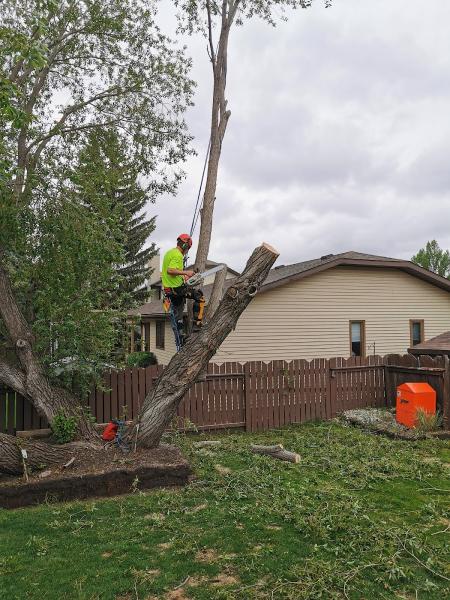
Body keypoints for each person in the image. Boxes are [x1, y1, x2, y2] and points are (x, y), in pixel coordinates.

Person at [161, 234, 205, 348]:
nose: (187, 251)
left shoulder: (169, 253)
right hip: (177, 289)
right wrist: (187, 273)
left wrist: (184, 277)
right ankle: (197, 325)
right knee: (199, 297)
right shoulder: (178, 255)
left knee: (178, 316)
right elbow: (170, 270)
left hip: (170, 290)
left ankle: (181, 339)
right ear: (185, 245)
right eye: (188, 248)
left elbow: (170, 272)